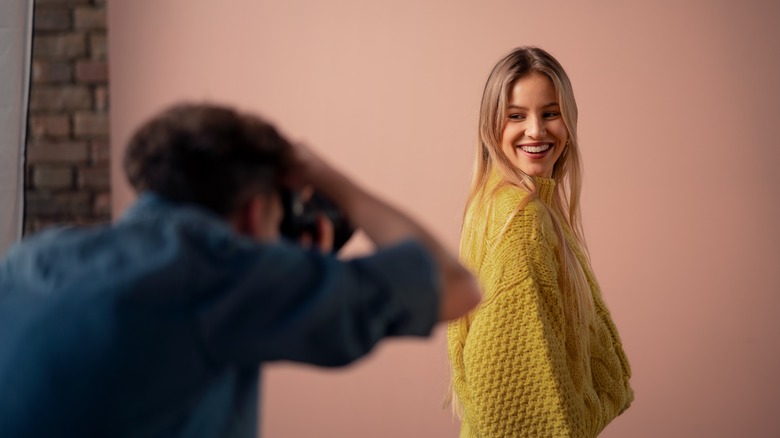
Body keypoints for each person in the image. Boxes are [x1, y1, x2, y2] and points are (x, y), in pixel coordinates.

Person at [0, 103, 481, 437]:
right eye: (277, 216)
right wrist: (332, 181)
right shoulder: (216, 272)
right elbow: (455, 286)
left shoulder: (34, 256)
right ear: (254, 211)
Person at [447, 47, 634, 437]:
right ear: (491, 126)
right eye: (516, 116)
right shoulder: (521, 218)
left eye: (550, 113)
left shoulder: (498, 204)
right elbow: (510, 397)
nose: (536, 130)